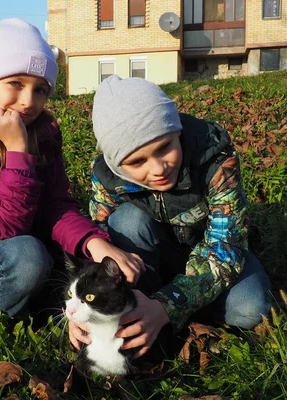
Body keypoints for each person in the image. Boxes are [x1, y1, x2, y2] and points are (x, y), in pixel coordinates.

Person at [0, 19, 143, 318]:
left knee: (90, 249)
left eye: (41, 90)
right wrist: (18, 152)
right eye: (15, 84)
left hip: (40, 248)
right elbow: (6, 230)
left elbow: (56, 206)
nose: (28, 102)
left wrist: (94, 242)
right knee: (27, 255)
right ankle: (5, 321)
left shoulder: (43, 132)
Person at [68, 75, 271, 358]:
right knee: (127, 222)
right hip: (153, 254)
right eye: (137, 162)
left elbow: (226, 247)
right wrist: (81, 311)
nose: (158, 168)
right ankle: (146, 306)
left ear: (176, 130)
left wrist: (168, 303)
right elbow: (99, 238)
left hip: (211, 253)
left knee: (251, 309)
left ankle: (162, 310)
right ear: (117, 166)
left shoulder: (213, 158)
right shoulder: (106, 175)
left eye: (164, 147)